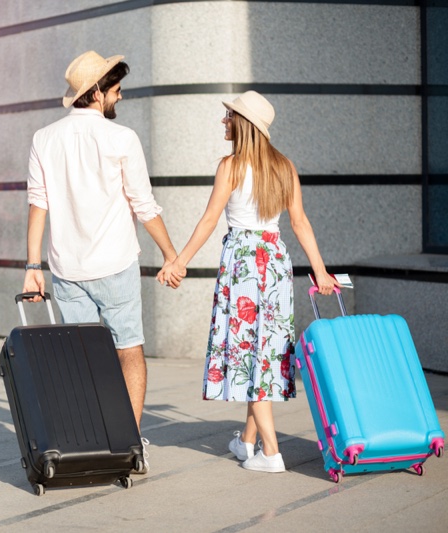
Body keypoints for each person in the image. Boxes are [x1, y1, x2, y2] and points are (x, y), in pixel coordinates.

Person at [158, 90, 339, 473]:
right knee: (264, 351)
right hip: (274, 262)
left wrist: (179, 262)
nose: (224, 121)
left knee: (248, 352)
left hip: (242, 265)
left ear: (244, 124)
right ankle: (247, 442)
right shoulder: (284, 167)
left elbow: (209, 220)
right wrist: (321, 270)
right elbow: (300, 223)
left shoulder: (231, 166)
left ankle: (271, 453)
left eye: (228, 116)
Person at [23, 51, 179, 473]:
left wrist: (32, 266)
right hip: (115, 265)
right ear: (95, 93)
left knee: (87, 358)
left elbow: (39, 205)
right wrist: (171, 254)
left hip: (67, 269)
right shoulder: (121, 138)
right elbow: (143, 205)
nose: (120, 96)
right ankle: (130, 443)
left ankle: (95, 439)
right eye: (114, 89)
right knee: (129, 350)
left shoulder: (44, 138)